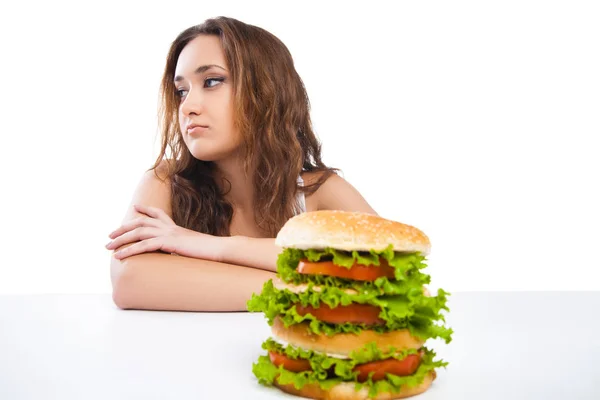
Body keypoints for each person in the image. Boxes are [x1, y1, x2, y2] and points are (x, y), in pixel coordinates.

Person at [106, 16, 376, 312]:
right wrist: (302, 289)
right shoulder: (165, 181)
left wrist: (212, 247)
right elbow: (129, 279)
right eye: (182, 91)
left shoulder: (318, 192)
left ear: (266, 92)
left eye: (211, 81)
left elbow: (390, 266)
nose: (187, 107)